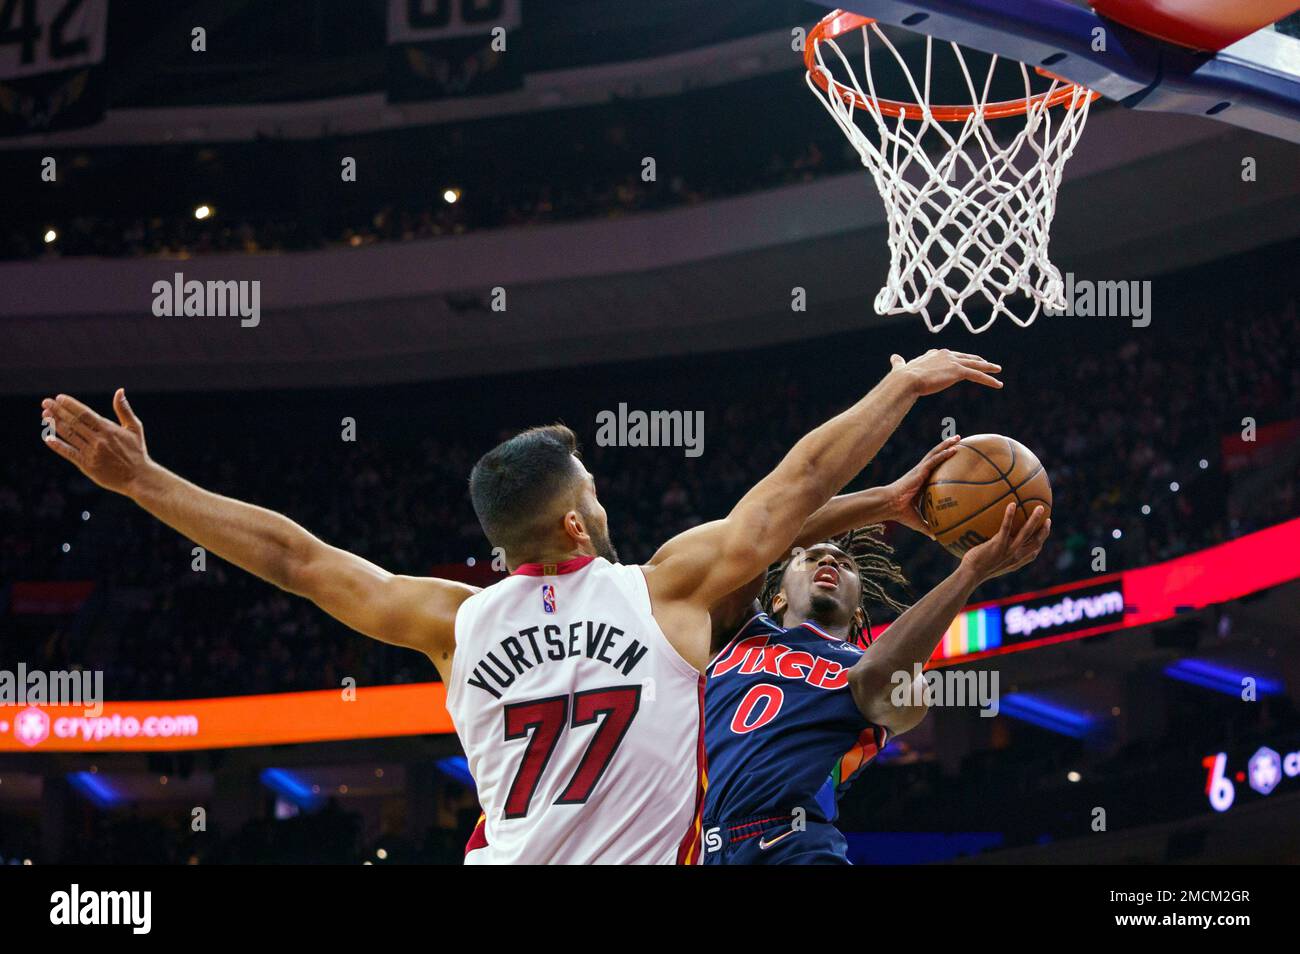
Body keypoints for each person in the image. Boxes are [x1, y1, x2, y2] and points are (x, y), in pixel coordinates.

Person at [39, 348, 1001, 864]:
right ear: (579, 528)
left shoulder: (452, 623)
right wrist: (904, 382)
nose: (602, 500)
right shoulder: (662, 590)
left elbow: (294, 557)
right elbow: (792, 485)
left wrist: (142, 482)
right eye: (594, 492)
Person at [696, 500, 1049, 865]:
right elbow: (756, 535)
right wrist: (888, 501)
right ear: (778, 596)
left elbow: (875, 676)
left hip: (792, 845)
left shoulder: (891, 678)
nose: (830, 562)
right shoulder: (737, 630)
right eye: (811, 557)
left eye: (845, 565)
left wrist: (970, 572)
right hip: (692, 846)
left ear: (859, 610)